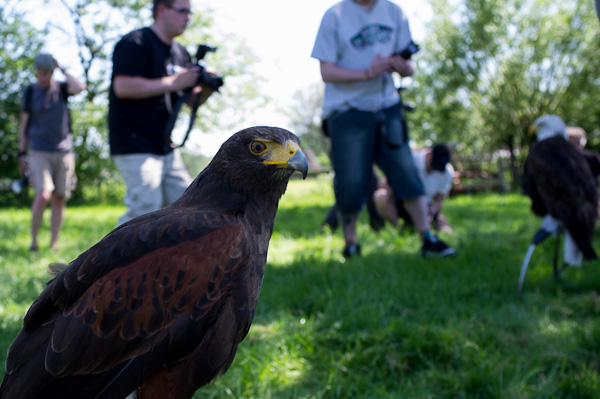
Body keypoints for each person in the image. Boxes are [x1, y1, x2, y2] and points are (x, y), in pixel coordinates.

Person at [311, 0, 456, 258]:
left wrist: (403, 68)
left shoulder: (394, 12)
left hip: (387, 107)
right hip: (347, 110)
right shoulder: (334, 16)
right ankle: (350, 244)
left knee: (406, 171)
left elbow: (409, 66)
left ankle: (427, 237)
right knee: (351, 180)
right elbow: (326, 71)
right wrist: (368, 72)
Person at [108, 0, 217, 226]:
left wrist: (206, 87)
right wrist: (173, 82)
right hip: (134, 144)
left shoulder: (180, 52)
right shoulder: (136, 42)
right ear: (161, 10)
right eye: (182, 11)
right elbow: (123, 87)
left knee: (189, 207)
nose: (188, 17)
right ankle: (107, 261)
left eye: (190, 12)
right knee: (144, 209)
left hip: (165, 147)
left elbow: (190, 100)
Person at [17, 53, 86, 252]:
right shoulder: (30, 91)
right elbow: (24, 126)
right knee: (43, 194)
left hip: (64, 151)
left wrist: (63, 68)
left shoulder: (62, 88)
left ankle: (54, 243)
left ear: (52, 71)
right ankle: (34, 240)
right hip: (39, 151)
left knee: (59, 196)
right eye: (38, 72)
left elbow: (80, 87)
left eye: (45, 72)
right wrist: (21, 154)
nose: (42, 76)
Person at [373, 143, 455, 234]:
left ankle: (430, 228)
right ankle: (400, 230)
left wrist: (430, 213)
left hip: (427, 208)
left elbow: (439, 200)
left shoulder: (447, 172)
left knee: (447, 231)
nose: (433, 169)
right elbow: (385, 182)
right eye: (433, 165)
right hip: (401, 203)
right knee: (380, 196)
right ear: (428, 154)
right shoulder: (410, 159)